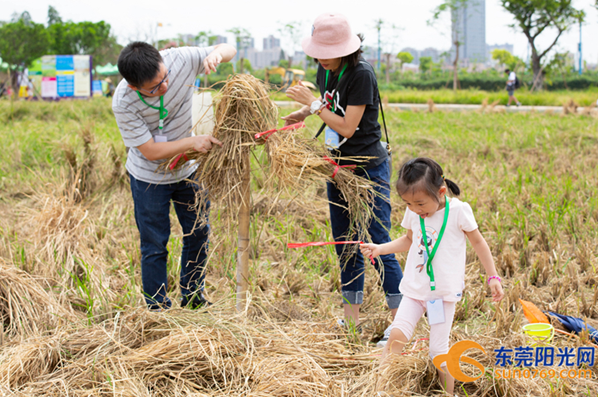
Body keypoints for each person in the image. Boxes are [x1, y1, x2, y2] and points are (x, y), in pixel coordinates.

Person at [285, 13, 403, 333]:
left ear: (344, 48)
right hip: (338, 169)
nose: (319, 58)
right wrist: (299, 114)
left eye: (326, 51)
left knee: (377, 243)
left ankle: (401, 323)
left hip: (367, 170)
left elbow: (347, 127)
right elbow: (329, 104)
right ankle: (351, 321)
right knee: (346, 243)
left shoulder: (360, 73)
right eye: (317, 51)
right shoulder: (327, 70)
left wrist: (312, 106)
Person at [360, 158, 504, 395]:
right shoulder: (413, 212)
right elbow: (408, 240)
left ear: (441, 192)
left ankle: (448, 393)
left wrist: (493, 277)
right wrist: (380, 248)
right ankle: (379, 388)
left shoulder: (458, 211)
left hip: (441, 295)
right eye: (408, 203)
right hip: (415, 290)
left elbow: (478, 242)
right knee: (396, 336)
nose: (416, 209)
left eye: (420, 203)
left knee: (438, 352)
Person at [112, 41, 236, 310]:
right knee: (155, 243)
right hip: (149, 179)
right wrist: (192, 143)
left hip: (188, 171)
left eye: (164, 77)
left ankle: (193, 296)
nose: (164, 87)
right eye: (154, 88)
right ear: (134, 87)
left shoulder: (180, 58)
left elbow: (230, 47)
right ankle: (158, 308)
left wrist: (217, 54)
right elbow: (151, 151)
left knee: (198, 232)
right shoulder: (123, 101)